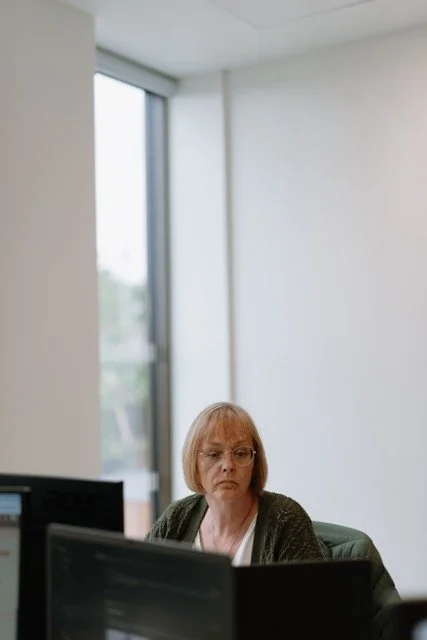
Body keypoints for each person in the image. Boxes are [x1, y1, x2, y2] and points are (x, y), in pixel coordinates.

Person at [145, 401, 323, 565]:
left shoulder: (286, 520)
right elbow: (139, 584)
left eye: (240, 453)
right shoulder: (176, 519)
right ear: (194, 462)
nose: (228, 466)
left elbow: (311, 597)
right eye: (214, 454)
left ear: (255, 461)